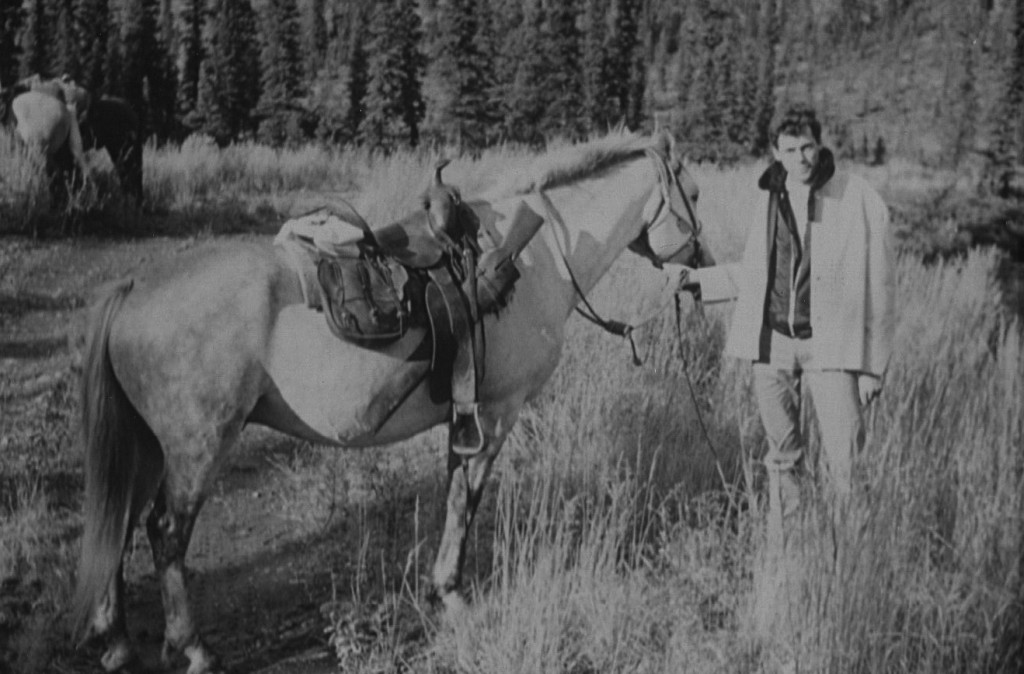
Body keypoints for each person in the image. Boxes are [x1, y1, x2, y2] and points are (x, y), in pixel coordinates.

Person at [701, 106, 896, 539]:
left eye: (808, 146)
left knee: (845, 462)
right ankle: (785, 554)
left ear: (820, 144)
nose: (801, 158)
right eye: (790, 150)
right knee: (783, 458)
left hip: (831, 350)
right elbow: (752, 273)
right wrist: (694, 283)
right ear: (776, 152)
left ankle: (850, 562)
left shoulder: (855, 195)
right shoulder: (768, 197)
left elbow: (882, 288)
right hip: (772, 347)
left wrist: (872, 366)